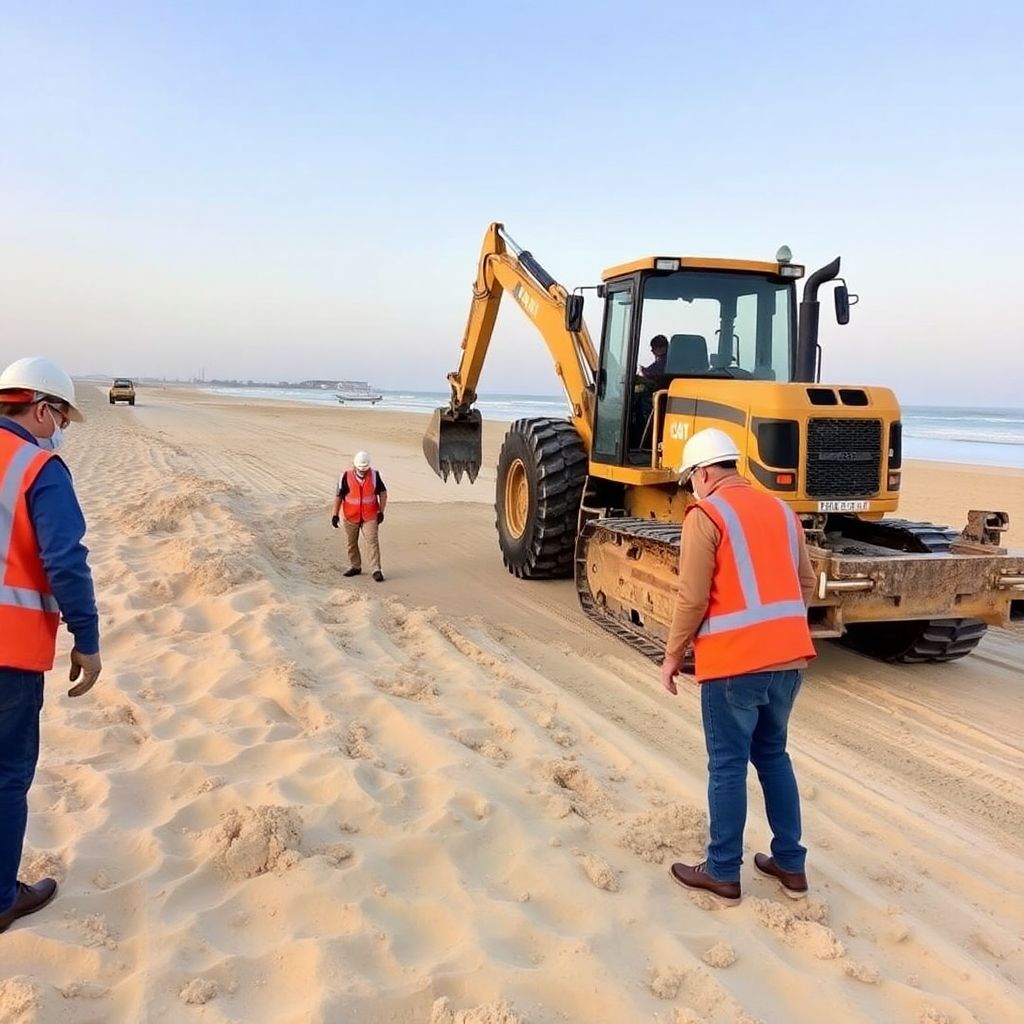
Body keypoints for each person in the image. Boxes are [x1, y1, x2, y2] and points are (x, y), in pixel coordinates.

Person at [660, 428, 816, 905]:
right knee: (773, 756)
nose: (692, 487)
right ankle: (790, 864)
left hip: (734, 666)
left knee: (727, 765)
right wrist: (779, 632)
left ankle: (723, 871)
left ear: (705, 473)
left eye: (691, 479)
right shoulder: (782, 511)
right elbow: (805, 582)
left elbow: (692, 596)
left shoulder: (706, 514)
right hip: (789, 661)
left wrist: (672, 656)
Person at [0, 357, 101, 935]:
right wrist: (86, 639)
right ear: (42, 408)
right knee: (7, 777)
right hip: (9, 655)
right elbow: (64, 560)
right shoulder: (38, 467)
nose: (61, 428)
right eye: (61, 415)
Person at [331, 450, 388, 582]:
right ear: (355, 465)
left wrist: (381, 511)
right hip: (351, 516)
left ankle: (376, 570)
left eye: (365, 469)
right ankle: (355, 566)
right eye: (360, 469)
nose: (363, 471)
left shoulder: (375, 475)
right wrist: (335, 514)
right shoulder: (345, 476)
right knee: (351, 543)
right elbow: (339, 496)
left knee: (372, 542)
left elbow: (383, 493)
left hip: (370, 516)